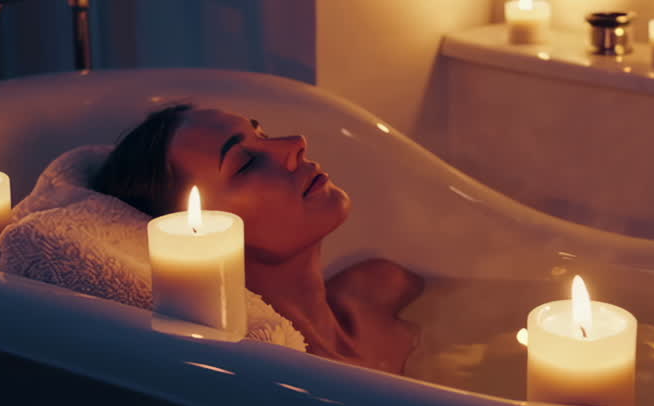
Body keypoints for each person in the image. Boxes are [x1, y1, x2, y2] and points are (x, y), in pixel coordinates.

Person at [93, 104, 423, 374]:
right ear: (197, 238)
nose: (296, 142)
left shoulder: (381, 283)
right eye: (246, 164)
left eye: (262, 134)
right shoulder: (283, 383)